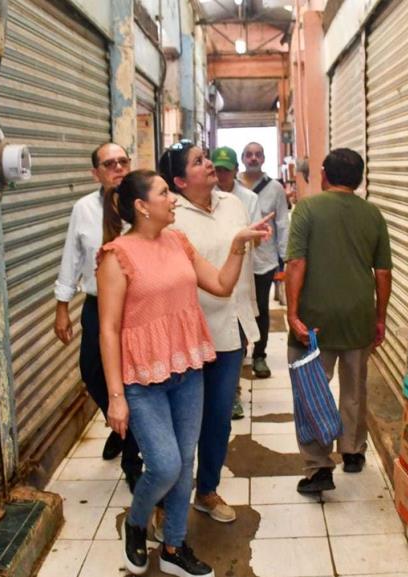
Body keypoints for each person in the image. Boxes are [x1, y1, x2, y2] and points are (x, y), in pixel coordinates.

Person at [98, 169, 270, 576]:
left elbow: (222, 285)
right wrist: (115, 396)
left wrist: (238, 246)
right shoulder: (115, 256)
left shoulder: (178, 241)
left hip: (187, 369)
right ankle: (138, 523)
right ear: (142, 207)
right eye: (163, 193)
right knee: (165, 464)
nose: (172, 199)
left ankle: (175, 546)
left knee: (185, 463)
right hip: (142, 380)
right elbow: (108, 329)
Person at [284, 148, 392, 495]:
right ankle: (353, 451)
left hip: (315, 318)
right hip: (358, 313)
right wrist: (380, 318)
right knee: (355, 386)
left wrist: (292, 312)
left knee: (311, 390)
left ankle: (318, 467)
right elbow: (383, 272)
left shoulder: (307, 209)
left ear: (324, 175)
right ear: (359, 180)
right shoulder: (372, 214)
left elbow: (296, 263)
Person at [166, 142, 264, 523]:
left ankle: (206, 490)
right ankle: (164, 500)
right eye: (197, 162)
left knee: (219, 417)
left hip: (231, 327)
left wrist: (250, 314)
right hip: (188, 335)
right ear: (179, 180)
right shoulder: (171, 216)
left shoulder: (233, 204)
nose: (208, 164)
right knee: (182, 423)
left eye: (205, 158)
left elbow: (244, 261)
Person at [53, 142, 143, 491]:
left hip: (136, 305)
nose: (118, 167)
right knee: (92, 372)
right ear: (96, 173)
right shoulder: (84, 209)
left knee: (135, 381)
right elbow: (71, 257)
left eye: (123, 161)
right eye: (109, 164)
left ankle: (133, 458)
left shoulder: (141, 205)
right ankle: (122, 425)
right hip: (96, 302)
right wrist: (62, 305)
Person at [211, 146, 260, 421]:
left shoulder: (247, 199)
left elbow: (255, 236)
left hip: (240, 277)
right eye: (216, 170)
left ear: (234, 171)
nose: (221, 175)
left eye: (225, 170)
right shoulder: (202, 200)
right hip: (212, 279)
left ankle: (234, 391)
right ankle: (222, 393)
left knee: (238, 338)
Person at [238, 142, 289, 379]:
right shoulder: (230, 185)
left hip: (264, 259)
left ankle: (259, 354)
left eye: (258, 154)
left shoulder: (275, 188)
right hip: (236, 258)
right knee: (236, 307)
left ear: (264, 158)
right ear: (242, 158)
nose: (253, 158)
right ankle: (238, 351)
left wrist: (285, 257)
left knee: (260, 308)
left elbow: (281, 223)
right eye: (249, 155)